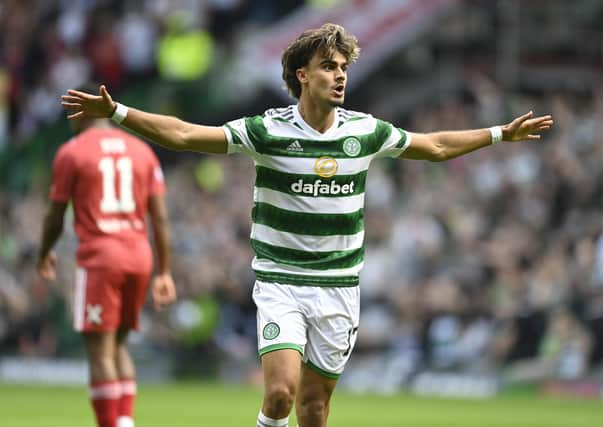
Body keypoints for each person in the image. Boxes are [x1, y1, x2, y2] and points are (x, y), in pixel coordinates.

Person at [61, 23, 553, 427]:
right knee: (279, 394)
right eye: (328, 67)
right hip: (282, 283)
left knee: (314, 410)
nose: (339, 76)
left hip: (339, 286)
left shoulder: (365, 131)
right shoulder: (268, 130)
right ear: (302, 75)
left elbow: (437, 146)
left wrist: (497, 134)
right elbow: (187, 135)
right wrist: (119, 112)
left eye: (343, 68)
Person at [38, 83, 177, 427]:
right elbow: (159, 218)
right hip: (139, 256)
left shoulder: (72, 152)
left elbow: (56, 214)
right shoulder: (141, 151)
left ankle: (110, 424)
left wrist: (45, 252)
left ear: (79, 112)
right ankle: (125, 421)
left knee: (99, 351)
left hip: (101, 258)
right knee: (119, 346)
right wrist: (165, 271)